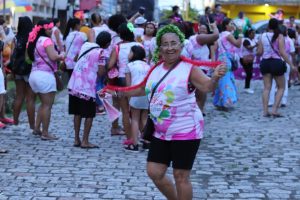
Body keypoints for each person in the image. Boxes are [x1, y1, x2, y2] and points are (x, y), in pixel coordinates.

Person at [103, 24, 226, 200]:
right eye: (165, 44)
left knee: (181, 176)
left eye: (173, 43)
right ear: (159, 48)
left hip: (186, 130)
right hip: (161, 132)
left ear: (181, 46)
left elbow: (206, 86)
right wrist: (115, 91)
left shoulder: (189, 68)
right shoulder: (155, 68)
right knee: (154, 171)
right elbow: (141, 89)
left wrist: (214, 77)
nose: (169, 48)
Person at [68, 31, 111, 148]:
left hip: (74, 83)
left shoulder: (86, 45)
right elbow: (101, 72)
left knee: (77, 112)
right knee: (89, 115)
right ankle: (85, 141)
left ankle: (76, 139)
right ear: (107, 44)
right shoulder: (101, 52)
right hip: (87, 87)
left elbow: (77, 58)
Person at [27, 20, 65, 140]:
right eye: (49, 29)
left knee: (43, 104)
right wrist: (62, 55)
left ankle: (37, 128)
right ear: (43, 29)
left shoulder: (33, 40)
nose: (51, 31)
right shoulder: (46, 41)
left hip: (34, 75)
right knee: (48, 105)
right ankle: (45, 133)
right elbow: (53, 57)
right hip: (45, 76)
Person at [107, 22, 142, 140]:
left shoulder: (118, 47)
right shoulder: (139, 45)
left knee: (125, 111)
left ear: (121, 35)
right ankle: (140, 135)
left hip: (121, 79)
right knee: (137, 110)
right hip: (137, 79)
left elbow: (110, 64)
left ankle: (128, 138)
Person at [257, 18, 295, 117]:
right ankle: (274, 110)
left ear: (268, 26)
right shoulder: (280, 36)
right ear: (277, 26)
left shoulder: (263, 36)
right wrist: (291, 64)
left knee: (266, 88)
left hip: (265, 62)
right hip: (276, 63)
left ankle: (265, 111)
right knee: (281, 87)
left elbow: (259, 52)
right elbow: (282, 53)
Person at [181, 22, 219, 114]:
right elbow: (216, 35)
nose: (202, 30)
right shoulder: (198, 38)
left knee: (202, 91)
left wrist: (213, 66)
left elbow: (213, 52)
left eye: (204, 29)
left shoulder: (206, 43)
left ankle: (200, 109)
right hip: (197, 69)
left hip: (204, 69)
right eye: (200, 28)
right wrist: (215, 27)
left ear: (207, 31)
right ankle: (197, 110)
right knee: (199, 91)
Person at [124, 45, 150, 151]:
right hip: (145, 94)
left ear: (134, 54)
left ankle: (134, 144)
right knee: (144, 118)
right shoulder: (148, 66)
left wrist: (128, 98)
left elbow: (128, 85)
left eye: (130, 52)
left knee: (134, 118)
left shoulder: (129, 66)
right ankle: (147, 142)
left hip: (135, 93)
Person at [12, 16, 36, 129]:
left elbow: (13, 54)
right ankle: (32, 125)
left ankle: (15, 122)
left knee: (19, 96)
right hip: (29, 69)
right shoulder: (32, 38)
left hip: (17, 70)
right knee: (30, 98)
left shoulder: (16, 38)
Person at [213, 18, 241, 110]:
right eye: (231, 23)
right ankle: (227, 101)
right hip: (227, 60)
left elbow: (215, 48)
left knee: (222, 80)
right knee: (227, 80)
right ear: (226, 25)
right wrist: (240, 33)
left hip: (220, 59)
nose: (233, 25)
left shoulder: (220, 35)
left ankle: (219, 101)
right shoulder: (228, 35)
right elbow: (238, 44)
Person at [268, 25, 295, 107]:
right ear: (286, 32)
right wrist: (292, 64)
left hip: (275, 62)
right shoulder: (289, 40)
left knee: (272, 83)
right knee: (285, 82)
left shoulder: (274, 39)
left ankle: (271, 101)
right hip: (286, 62)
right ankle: (283, 101)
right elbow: (292, 52)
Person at [240, 28, 257, 94]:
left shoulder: (252, 40)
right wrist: (256, 45)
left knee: (249, 73)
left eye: (254, 33)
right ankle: (247, 88)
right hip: (244, 59)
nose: (254, 35)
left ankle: (247, 87)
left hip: (250, 59)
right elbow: (249, 47)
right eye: (253, 33)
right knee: (249, 73)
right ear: (249, 34)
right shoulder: (246, 40)